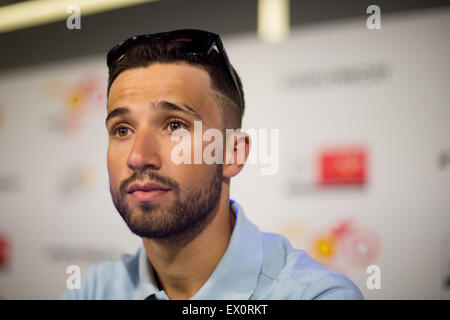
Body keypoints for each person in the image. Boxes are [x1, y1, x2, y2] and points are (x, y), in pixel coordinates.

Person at [61, 29, 363, 300]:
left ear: (232, 154)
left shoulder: (314, 295)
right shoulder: (92, 291)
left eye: (174, 125)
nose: (138, 157)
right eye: (122, 129)